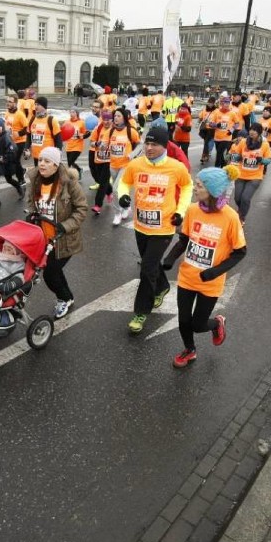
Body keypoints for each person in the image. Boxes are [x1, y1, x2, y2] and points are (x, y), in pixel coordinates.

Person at [162, 166, 246, 368]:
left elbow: (240, 252)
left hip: (210, 282)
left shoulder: (230, 217)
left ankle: (217, 323)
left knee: (199, 325)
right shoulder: (192, 209)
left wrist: (213, 272)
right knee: (183, 320)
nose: (194, 189)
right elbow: (184, 239)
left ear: (212, 190)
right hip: (187, 277)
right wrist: (170, 258)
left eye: (198, 186)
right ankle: (189, 350)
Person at [117, 127, 193, 334]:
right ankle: (162, 286)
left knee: (147, 269)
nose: (149, 148)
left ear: (164, 145)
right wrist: (123, 195)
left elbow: (187, 187)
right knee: (150, 264)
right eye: (146, 144)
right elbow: (124, 182)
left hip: (164, 228)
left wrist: (180, 211)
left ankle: (141, 312)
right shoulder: (136, 164)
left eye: (154, 144)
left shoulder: (176, 167)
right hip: (141, 225)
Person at [24, 146, 87, 319]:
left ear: (56, 165)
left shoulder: (68, 183)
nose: (42, 164)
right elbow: (31, 202)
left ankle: (63, 299)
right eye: (41, 160)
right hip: (43, 239)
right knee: (54, 271)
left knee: (50, 273)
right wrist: (32, 215)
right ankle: (68, 297)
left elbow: (81, 209)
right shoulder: (35, 180)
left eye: (47, 161)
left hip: (64, 239)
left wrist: (64, 226)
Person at [232, 123, 271, 224]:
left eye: (255, 130)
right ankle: (241, 210)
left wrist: (262, 160)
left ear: (259, 132)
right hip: (241, 174)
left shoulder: (264, 144)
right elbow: (235, 153)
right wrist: (238, 157)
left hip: (255, 176)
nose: (252, 131)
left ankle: (242, 218)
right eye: (250, 129)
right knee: (237, 198)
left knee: (245, 198)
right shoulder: (243, 142)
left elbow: (268, 160)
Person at [108, 109, 141, 226]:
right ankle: (126, 206)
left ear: (124, 118)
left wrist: (132, 154)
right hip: (113, 165)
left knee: (116, 189)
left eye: (118, 116)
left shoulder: (130, 131)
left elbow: (140, 144)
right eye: (115, 116)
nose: (116, 118)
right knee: (121, 190)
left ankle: (117, 213)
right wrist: (101, 146)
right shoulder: (111, 130)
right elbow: (105, 144)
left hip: (125, 165)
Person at [0, 117, 24, 207]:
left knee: (9, 179)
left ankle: (19, 188)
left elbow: (13, 150)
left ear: (3, 127)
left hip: (6, 163)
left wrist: (5, 158)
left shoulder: (6, 137)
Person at [26, 96, 62, 167]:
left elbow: (58, 139)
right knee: (38, 176)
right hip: (36, 156)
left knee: (47, 177)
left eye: (38, 105)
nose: (36, 107)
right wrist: (26, 148)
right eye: (35, 104)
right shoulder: (32, 119)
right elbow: (29, 136)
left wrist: (58, 154)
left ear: (44, 106)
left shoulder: (51, 120)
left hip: (48, 157)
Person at [90, 110, 114, 214]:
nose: (106, 122)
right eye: (104, 119)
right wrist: (96, 144)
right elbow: (91, 143)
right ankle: (109, 191)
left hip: (110, 160)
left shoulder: (115, 129)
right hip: (99, 159)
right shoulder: (98, 128)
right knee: (100, 180)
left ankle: (97, 205)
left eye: (108, 119)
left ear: (112, 120)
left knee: (103, 182)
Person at [208, 96, 243, 168]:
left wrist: (231, 130)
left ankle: (216, 167)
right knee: (220, 153)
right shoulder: (216, 112)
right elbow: (210, 123)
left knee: (220, 152)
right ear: (221, 103)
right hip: (217, 137)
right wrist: (217, 125)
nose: (227, 104)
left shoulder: (232, 113)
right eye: (225, 102)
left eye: (228, 103)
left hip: (227, 137)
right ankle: (224, 166)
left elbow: (237, 123)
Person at [4, 94, 30, 188]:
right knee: (12, 160)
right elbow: (6, 125)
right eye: (7, 101)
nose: (8, 103)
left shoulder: (20, 114)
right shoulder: (7, 113)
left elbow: (26, 129)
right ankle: (22, 171)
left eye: (10, 102)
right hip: (10, 141)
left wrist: (18, 134)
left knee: (16, 160)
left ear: (15, 103)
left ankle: (21, 180)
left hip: (20, 141)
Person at [65, 108, 86, 176]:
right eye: (70, 112)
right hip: (69, 146)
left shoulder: (81, 122)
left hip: (78, 146)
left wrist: (82, 135)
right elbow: (64, 132)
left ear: (77, 113)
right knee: (70, 162)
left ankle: (69, 177)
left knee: (70, 162)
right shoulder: (67, 122)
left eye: (73, 112)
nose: (71, 114)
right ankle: (79, 170)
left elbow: (86, 133)